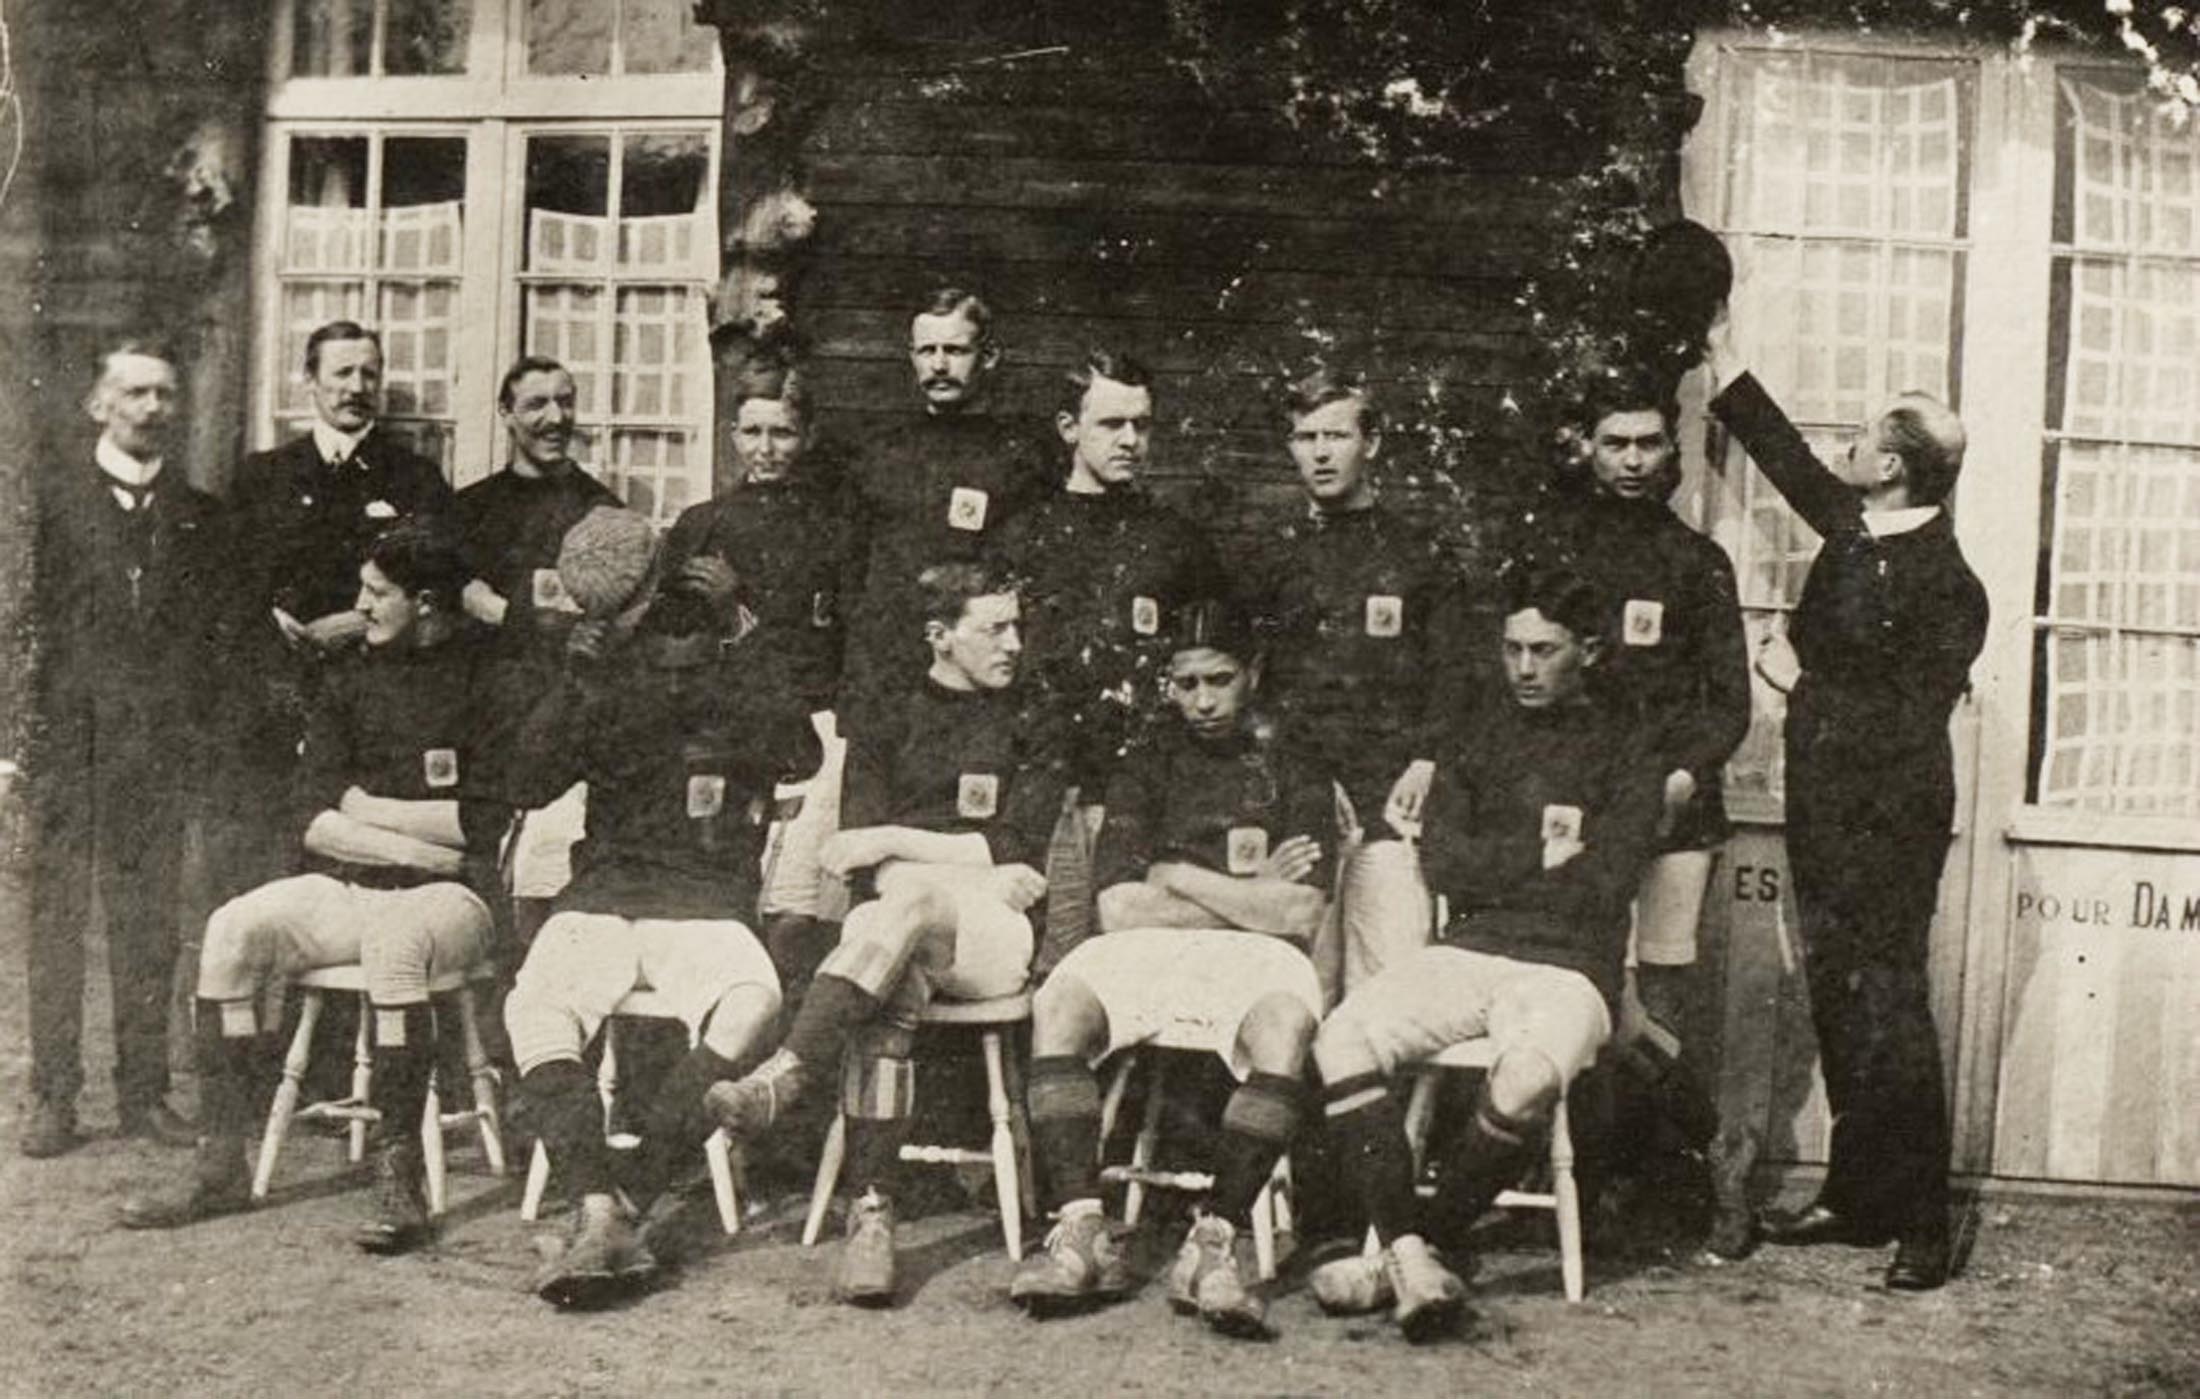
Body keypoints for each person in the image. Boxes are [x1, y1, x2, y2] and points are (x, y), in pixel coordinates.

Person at [117, 522, 514, 1253]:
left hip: (454, 903)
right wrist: (421, 846)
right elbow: (312, 820)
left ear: (426, 602)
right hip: (364, 885)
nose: (359, 607)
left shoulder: (486, 681)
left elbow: (483, 820)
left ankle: (398, 1174)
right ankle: (220, 1161)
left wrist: (363, 808)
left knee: (397, 940)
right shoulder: (347, 679)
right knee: (232, 929)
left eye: (376, 592)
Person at [1704, 312, 1988, 1292]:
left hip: (1893, 822)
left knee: (1891, 1008)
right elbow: (1788, 459)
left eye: (1865, 437)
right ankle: (1860, 1195)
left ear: (1893, 468)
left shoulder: (1952, 585)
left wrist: (1798, 682)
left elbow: (1905, 717)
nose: (1849, 445)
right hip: (1826, 808)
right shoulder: (1858, 528)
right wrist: (1720, 351)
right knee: (1838, 995)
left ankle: (1923, 1223)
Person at [1307, 566, 1662, 1342]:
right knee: (1341, 1035)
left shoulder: (1632, 746)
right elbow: (1445, 866)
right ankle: (1410, 1254)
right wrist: (1542, 854)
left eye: (1544, 650)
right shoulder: (1476, 736)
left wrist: (1502, 863)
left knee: (1527, 1078)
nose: (1524, 668)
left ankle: (1422, 1244)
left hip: (1571, 966)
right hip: (1467, 949)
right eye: (1512, 649)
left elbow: (1609, 880)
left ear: (1590, 650)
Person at [707, 562, 1064, 1307]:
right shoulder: (886, 721)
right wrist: (968, 863)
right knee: (892, 980)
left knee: (902, 913)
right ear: (940, 636)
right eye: (995, 628)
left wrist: (898, 844)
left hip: (992, 943)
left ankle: (792, 1073)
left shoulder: (1033, 716)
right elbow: (855, 856)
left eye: (1018, 627)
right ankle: (871, 1215)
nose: (1013, 643)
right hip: (898, 926)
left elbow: (1019, 849)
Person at [1008, 602, 1334, 1340]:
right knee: (1060, 1002)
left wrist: (1177, 873)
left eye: (1219, 679)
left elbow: (1301, 913)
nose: (1203, 699)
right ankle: (1081, 1228)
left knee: (1285, 1025)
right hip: (1149, 948)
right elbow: (1120, 907)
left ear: (1253, 673)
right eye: (1186, 683)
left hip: (1256, 958)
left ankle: (1215, 1240)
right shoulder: (1146, 761)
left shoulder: (1295, 762)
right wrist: (1251, 897)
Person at [497, 571, 821, 1309]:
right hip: (602, 899)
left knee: (753, 999)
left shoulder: (742, 699)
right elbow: (524, 780)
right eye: (662, 661)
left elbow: (803, 755)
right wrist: (572, 682)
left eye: (693, 662)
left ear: (718, 650)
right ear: (639, 653)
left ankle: (620, 1200)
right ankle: (599, 1203)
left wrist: (746, 634)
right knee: (535, 1004)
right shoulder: (611, 698)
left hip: (705, 908)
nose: (676, 679)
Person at [1547, 374, 1752, 1244]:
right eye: (1615, 443)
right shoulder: (1554, 552)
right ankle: (1597, 1173)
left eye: (1648, 443)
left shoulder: (1699, 564)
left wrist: (1681, 771)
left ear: (1672, 450)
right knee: (1580, 982)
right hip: (1578, 808)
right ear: (1587, 450)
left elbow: (1730, 702)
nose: (1632, 460)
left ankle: (1669, 1171)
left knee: (1658, 992)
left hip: (1674, 815)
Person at [23, 339, 238, 1156]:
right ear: (98, 405)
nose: (152, 408)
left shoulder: (199, 514)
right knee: (57, 919)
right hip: (67, 747)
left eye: (164, 394)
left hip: (155, 753)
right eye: (136, 392)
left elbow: (209, 644)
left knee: (148, 923)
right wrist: (11, 748)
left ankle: (144, 1093)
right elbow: (20, 626)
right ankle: (54, 1095)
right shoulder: (51, 505)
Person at [1244, 368, 1475, 989]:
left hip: (1392, 805)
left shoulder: (1419, 554)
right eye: (1306, 437)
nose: (1320, 453)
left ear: (1370, 443)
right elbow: (1251, 688)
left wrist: (1427, 761)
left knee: (1389, 981)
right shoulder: (1272, 556)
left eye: (1337, 436)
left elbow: (1456, 672)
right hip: (1302, 802)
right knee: (1298, 983)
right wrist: (1302, 781)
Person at [657, 360, 849, 995]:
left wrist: (739, 614)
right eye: (752, 432)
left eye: (782, 433)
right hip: (719, 730)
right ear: (732, 435)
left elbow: (834, 643)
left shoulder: (833, 528)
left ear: (808, 435)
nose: (766, 449)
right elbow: (672, 637)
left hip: (811, 726)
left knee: (794, 907)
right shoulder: (701, 525)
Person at [988, 349, 1223, 810]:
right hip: (1033, 782)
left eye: (1142, 425)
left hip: (1143, 785)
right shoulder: (1021, 536)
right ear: (1069, 428)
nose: (1130, 440)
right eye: (1112, 424)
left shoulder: (1178, 540)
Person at [835, 289, 1049, 737]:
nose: (938, 365)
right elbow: (850, 570)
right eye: (926, 351)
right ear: (911, 357)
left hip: (977, 679)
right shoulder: (879, 453)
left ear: (989, 356)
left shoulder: (1020, 457)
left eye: (954, 350)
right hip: (889, 673)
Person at [233, 321, 452, 658]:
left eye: (369, 375)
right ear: (310, 379)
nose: (357, 387)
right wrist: (273, 622)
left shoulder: (416, 476)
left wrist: (359, 623)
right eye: (343, 373)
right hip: (279, 662)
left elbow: (438, 581)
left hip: (378, 665)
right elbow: (231, 575)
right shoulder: (263, 474)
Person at [451, 356, 622, 662]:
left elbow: (598, 633)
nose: (556, 418)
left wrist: (500, 613)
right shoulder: (467, 507)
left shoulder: (602, 512)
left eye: (565, 403)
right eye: (537, 404)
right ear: (506, 413)